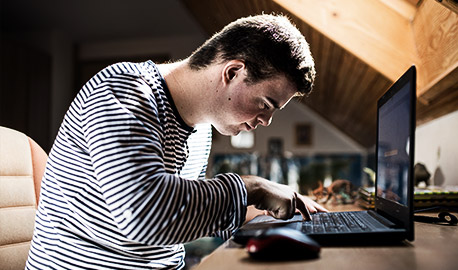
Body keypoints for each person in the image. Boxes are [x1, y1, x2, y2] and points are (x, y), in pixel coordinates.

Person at [26, 14, 326, 269]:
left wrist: (279, 212)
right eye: (265, 103)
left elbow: (183, 212)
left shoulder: (201, 130)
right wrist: (254, 187)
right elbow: (144, 215)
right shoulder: (124, 90)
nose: (265, 120)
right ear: (233, 72)